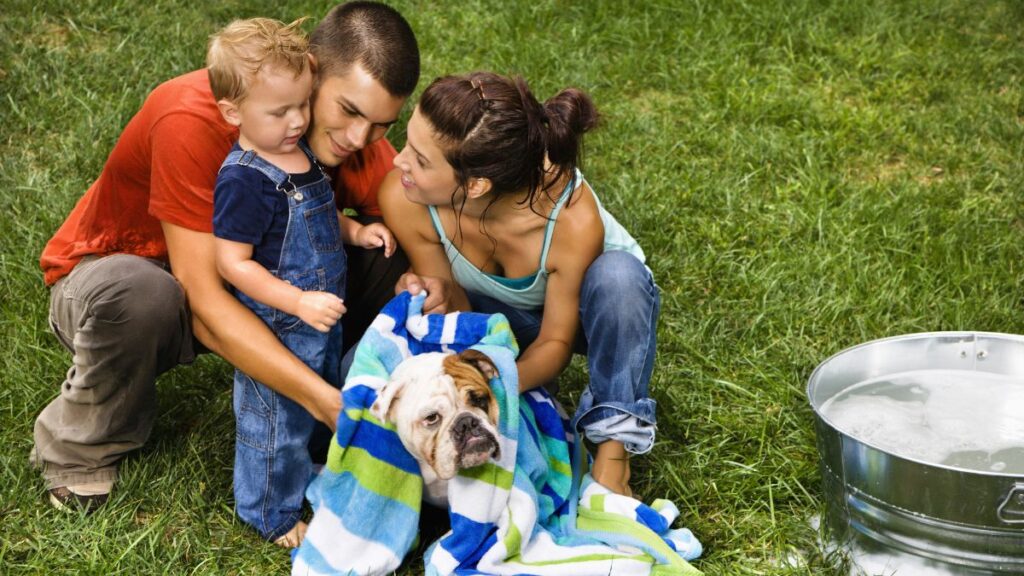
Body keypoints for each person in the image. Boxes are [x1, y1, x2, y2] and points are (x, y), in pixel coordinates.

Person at [33, 1, 431, 517]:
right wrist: (322, 400)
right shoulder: (191, 117)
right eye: (350, 111)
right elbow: (205, 301)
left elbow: (404, 208)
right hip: (129, 277)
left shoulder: (348, 130)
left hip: (260, 280)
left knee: (390, 257)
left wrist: (432, 277)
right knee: (146, 297)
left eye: (380, 125)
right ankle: (79, 447)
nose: (359, 139)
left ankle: (343, 411)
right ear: (311, 70)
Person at [381, 72, 660, 497]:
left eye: (420, 160)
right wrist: (434, 295)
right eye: (407, 144)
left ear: (475, 185)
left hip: (595, 318)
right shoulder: (404, 197)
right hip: (496, 316)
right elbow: (459, 310)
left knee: (618, 276)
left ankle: (613, 452)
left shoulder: (572, 217)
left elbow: (556, 344)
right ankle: (535, 409)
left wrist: (490, 384)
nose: (399, 161)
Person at [207, 17, 397, 546]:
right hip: (279, 323)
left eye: (302, 106)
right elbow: (233, 264)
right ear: (232, 111)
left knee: (310, 406)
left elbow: (320, 211)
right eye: (279, 112)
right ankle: (268, 512)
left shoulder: (298, 153)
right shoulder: (245, 178)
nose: (296, 121)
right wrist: (297, 300)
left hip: (318, 314)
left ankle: (308, 470)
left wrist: (356, 232)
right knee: (274, 423)